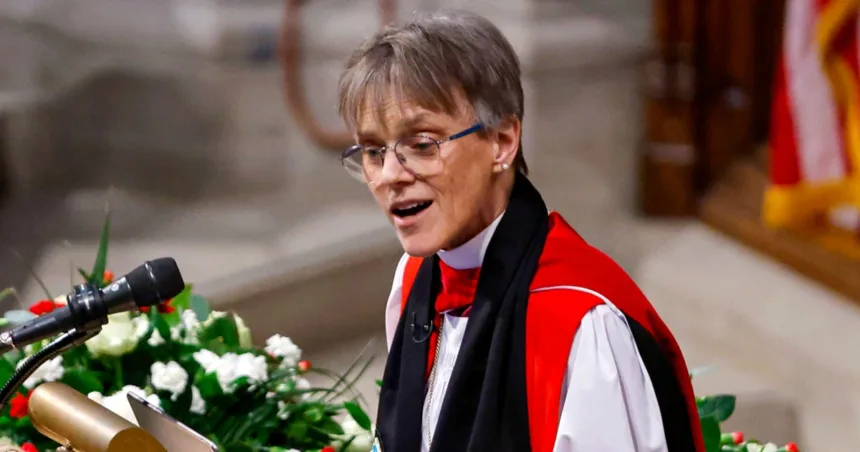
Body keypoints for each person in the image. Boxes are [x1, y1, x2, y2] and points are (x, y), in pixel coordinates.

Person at [336, 9, 704, 452]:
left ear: (502, 141)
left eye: (421, 144)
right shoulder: (414, 278)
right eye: (374, 151)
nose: (390, 175)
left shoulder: (581, 324)